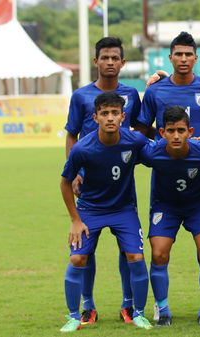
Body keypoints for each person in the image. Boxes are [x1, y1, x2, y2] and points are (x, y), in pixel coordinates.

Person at [59, 92, 152, 332]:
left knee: (136, 257)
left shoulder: (134, 140)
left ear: (123, 116)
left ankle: (139, 313)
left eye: (114, 113)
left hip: (123, 209)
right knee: (77, 257)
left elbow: (160, 149)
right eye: (104, 114)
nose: (110, 118)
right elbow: (65, 182)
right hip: (90, 209)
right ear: (96, 117)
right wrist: (74, 220)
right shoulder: (83, 148)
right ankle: (73, 316)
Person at [64, 37, 141, 325]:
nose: (109, 62)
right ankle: (87, 305)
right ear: (96, 61)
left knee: (128, 246)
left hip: (122, 181)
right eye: (104, 57)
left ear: (123, 63)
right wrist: (73, 173)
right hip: (89, 182)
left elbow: (140, 130)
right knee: (86, 246)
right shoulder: (81, 96)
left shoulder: (132, 93)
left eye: (115, 58)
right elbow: (72, 133)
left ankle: (129, 304)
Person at [138, 106, 200, 327]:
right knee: (158, 254)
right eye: (171, 130)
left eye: (181, 130)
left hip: (199, 204)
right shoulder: (151, 153)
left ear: (190, 131)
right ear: (162, 132)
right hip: (166, 206)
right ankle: (162, 308)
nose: (176, 136)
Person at [135, 31, 200, 141]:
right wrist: (163, 142)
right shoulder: (154, 91)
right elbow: (141, 130)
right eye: (178, 54)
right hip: (164, 157)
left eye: (188, 54)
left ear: (195, 58)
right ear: (170, 57)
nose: (183, 59)